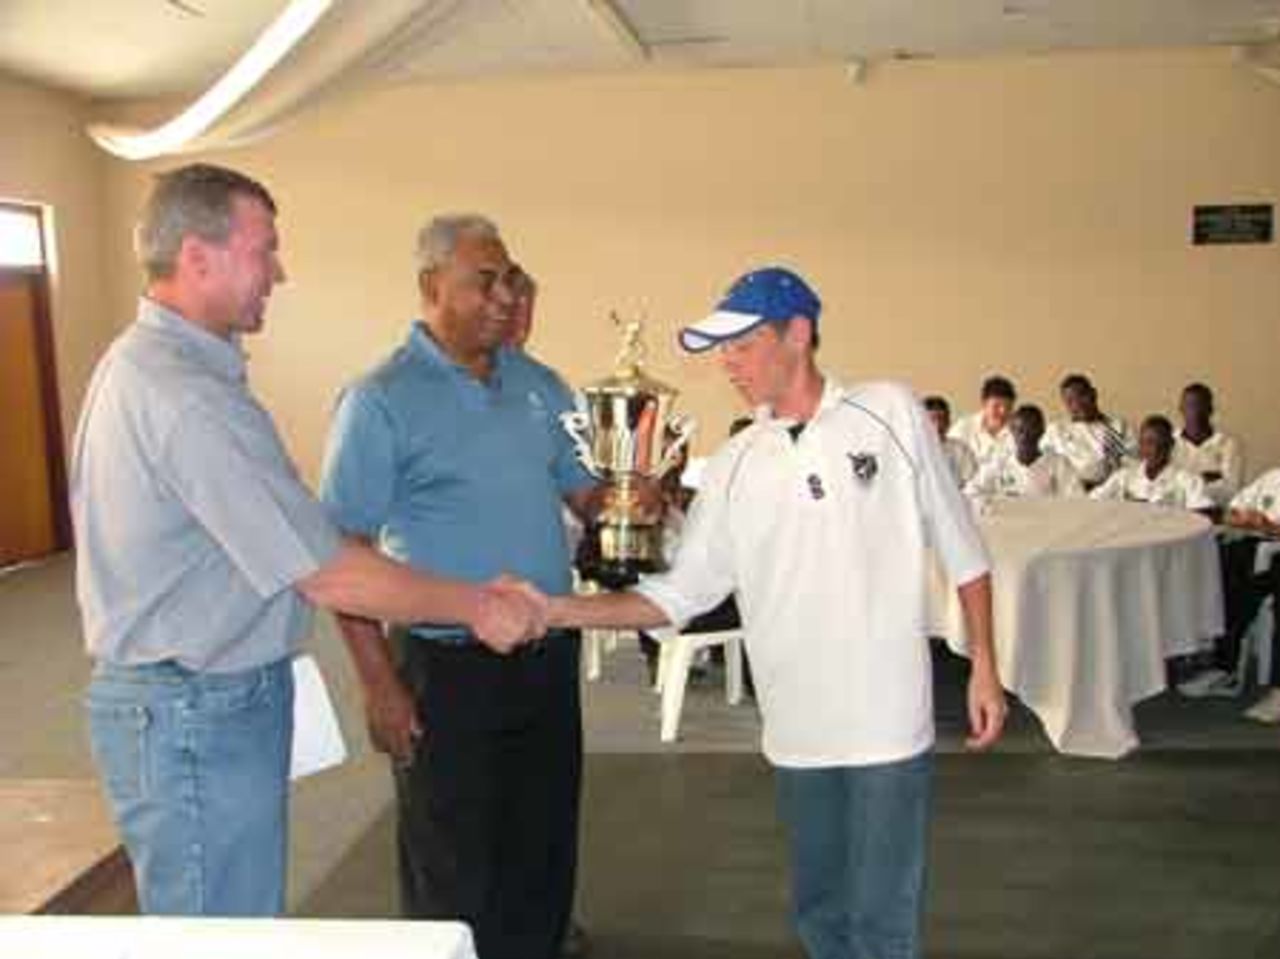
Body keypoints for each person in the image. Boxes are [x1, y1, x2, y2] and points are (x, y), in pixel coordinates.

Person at [71, 166, 543, 918]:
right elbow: (327, 570)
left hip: (205, 696)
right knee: (219, 931)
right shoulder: (182, 395)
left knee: (236, 917)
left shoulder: (164, 368)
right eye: (263, 250)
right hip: (193, 709)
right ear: (197, 256)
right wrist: (479, 605)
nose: (278, 272)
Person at [542, 266, 1007, 959]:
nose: (727, 362)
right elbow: (678, 595)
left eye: (743, 344)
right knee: (821, 914)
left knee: (883, 923)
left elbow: (963, 549)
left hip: (886, 720)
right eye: (722, 349)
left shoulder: (891, 412)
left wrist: (985, 668)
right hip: (795, 727)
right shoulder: (734, 463)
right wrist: (555, 610)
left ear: (799, 333)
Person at [319, 214, 610, 959]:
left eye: (510, 279)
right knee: (452, 862)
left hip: (547, 654)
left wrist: (639, 487)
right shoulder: (379, 399)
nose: (505, 296)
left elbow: (589, 496)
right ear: (431, 286)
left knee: (543, 842)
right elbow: (341, 556)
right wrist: (380, 685)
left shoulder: (541, 385)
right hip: (444, 667)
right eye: (485, 281)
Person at [1179, 467, 1280, 712]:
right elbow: (1231, 511)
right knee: (1221, 573)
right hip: (1255, 545)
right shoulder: (1272, 477)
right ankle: (1225, 668)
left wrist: (1271, 527)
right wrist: (1245, 519)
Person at [1090, 415, 1213, 512]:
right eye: (1148, 442)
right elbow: (1093, 501)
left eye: (1161, 443)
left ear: (1171, 444)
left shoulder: (1188, 479)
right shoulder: (1124, 477)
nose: (1154, 449)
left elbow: (1204, 513)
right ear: (1140, 445)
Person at [965, 404, 1083, 500]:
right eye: (1020, 430)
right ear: (1012, 431)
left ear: (1042, 431)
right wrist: (991, 502)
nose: (1025, 436)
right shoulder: (999, 463)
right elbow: (971, 491)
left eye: (1032, 429)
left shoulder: (1058, 463)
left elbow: (1077, 500)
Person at [1042, 373, 1136, 487]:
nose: (1077, 404)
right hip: (1067, 492)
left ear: (1094, 394)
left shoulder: (1118, 427)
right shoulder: (1056, 430)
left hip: (1108, 491)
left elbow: (1131, 466)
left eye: (1082, 396)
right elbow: (1044, 465)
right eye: (1070, 401)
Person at [1171, 382, 1244, 509]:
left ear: (1210, 410)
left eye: (1200, 405)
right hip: (1175, 512)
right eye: (1190, 405)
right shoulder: (1170, 442)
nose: (1195, 411)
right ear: (1181, 409)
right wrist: (1204, 479)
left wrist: (1186, 482)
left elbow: (1231, 491)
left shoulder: (1228, 444)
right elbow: (1165, 486)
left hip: (1213, 514)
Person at [947, 374, 1017, 468]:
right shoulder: (963, 428)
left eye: (1008, 407)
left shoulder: (1019, 432)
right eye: (996, 406)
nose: (1003, 412)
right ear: (984, 404)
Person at [924, 394, 978, 488]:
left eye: (941, 419)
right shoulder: (914, 451)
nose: (937, 425)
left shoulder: (961, 449)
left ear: (948, 421)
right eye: (932, 419)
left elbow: (970, 481)